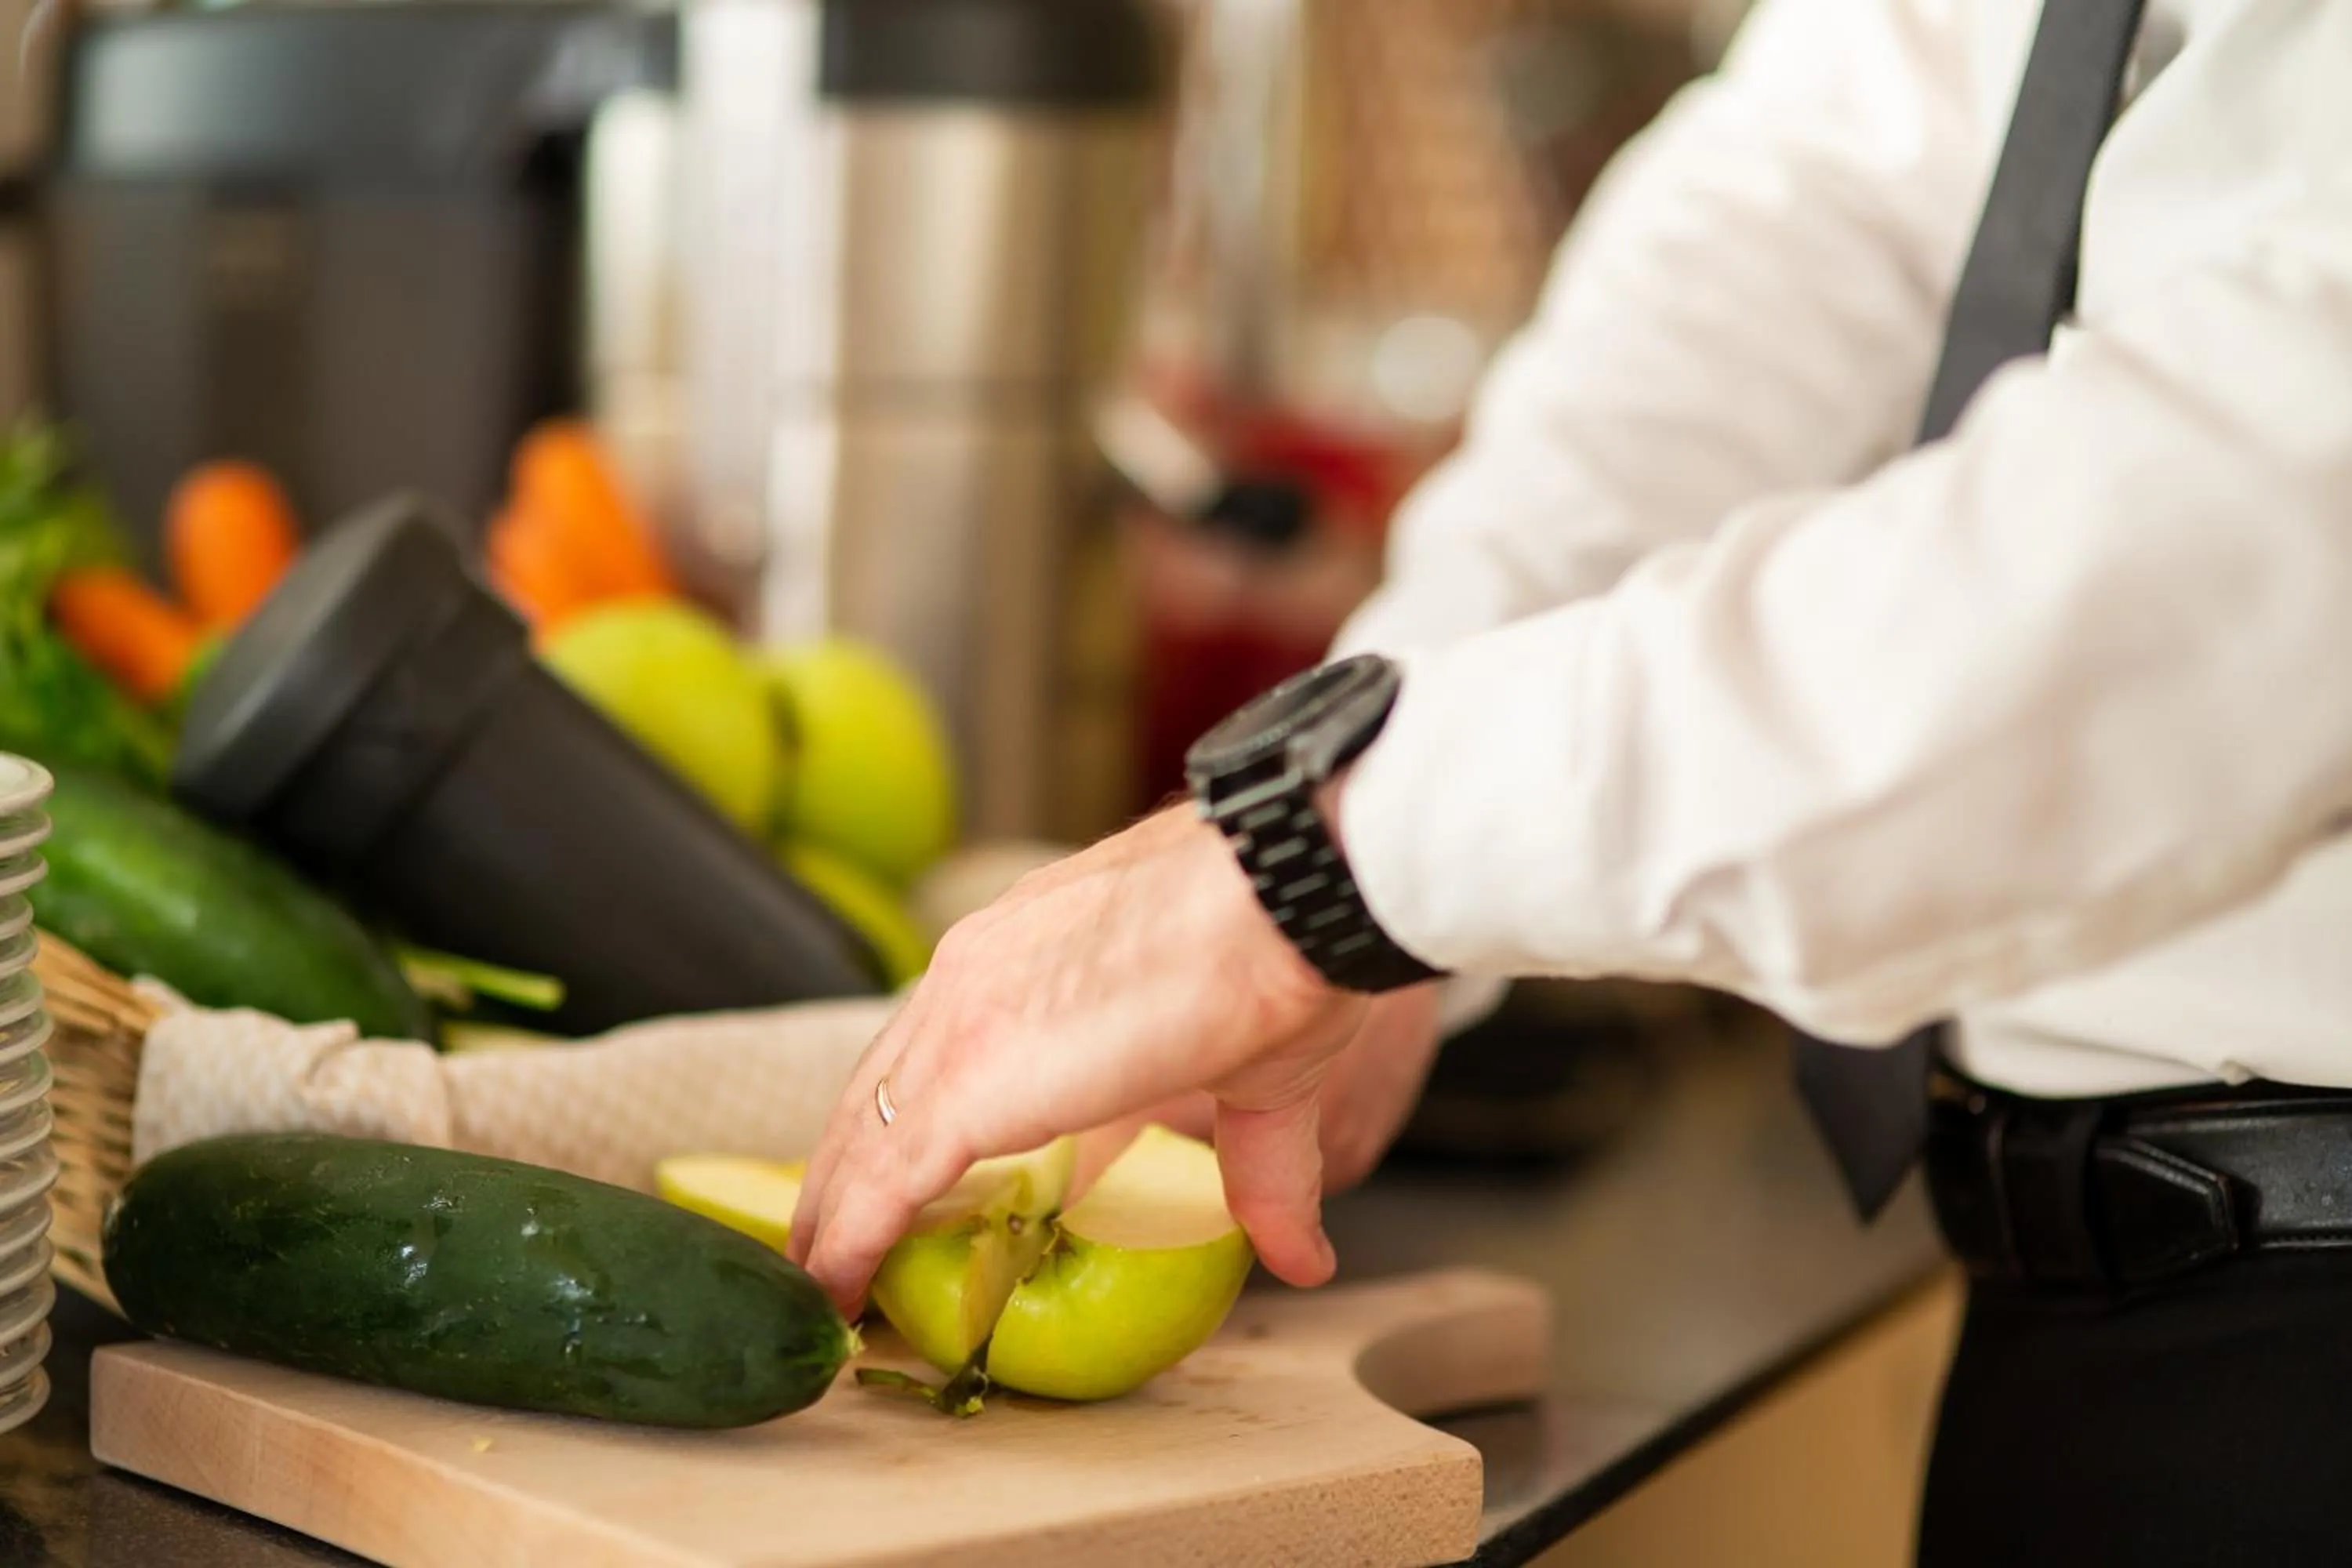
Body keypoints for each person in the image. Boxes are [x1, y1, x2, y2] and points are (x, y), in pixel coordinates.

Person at [790, 1, 2352, 1561]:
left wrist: (1343, 848)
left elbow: (2266, 504)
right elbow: (1832, 187)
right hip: (2105, 1304)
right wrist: (1371, 810)